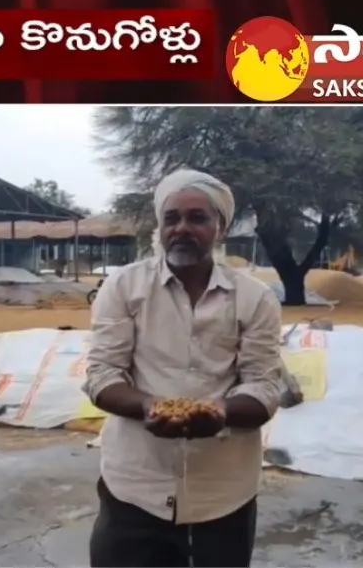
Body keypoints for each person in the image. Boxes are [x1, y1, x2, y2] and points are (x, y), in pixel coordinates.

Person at [83, 169, 283, 568]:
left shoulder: (254, 298)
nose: (182, 229)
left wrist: (221, 412)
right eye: (171, 218)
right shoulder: (123, 287)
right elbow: (102, 374)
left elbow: (264, 385)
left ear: (220, 228)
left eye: (197, 218)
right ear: (159, 227)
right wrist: (148, 406)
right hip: (135, 488)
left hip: (223, 494)